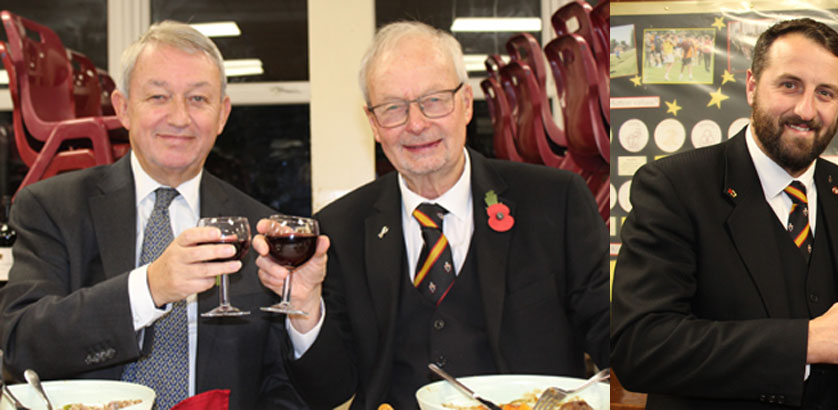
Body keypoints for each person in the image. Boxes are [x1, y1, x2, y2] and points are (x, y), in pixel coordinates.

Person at [256, 21, 609, 410]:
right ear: (373, 123)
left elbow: (612, 339)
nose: (417, 124)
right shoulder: (340, 228)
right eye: (393, 108)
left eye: (434, 99)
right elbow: (330, 391)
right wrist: (306, 308)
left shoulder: (555, 201)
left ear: (467, 103)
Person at [0, 21, 303, 409]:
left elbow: (283, 386)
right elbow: (20, 347)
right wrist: (150, 288)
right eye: (158, 97)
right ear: (123, 108)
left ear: (223, 114)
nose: (179, 118)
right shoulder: (53, 207)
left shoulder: (257, 229)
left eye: (198, 99)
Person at [613, 18, 838, 410]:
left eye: (826, 93)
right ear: (751, 86)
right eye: (789, 85)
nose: (805, 109)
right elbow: (641, 347)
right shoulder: (673, 186)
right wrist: (806, 343)